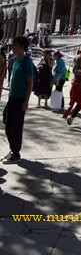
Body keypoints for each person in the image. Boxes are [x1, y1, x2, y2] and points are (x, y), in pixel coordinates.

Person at [2, 36, 33, 164]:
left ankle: (16, 152)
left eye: (14, 45)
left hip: (20, 99)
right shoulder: (15, 61)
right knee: (8, 125)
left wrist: (26, 101)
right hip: (12, 98)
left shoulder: (27, 62)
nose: (12, 47)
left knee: (17, 127)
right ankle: (12, 149)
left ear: (21, 47)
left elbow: (30, 83)